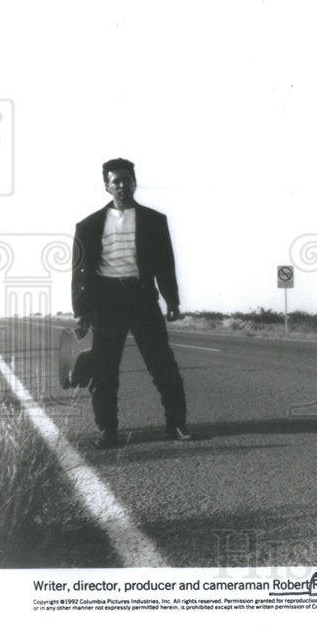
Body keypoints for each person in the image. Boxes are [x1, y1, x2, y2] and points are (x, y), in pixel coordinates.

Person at [72, 158, 191, 448]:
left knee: (163, 365)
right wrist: (81, 311)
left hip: (142, 297)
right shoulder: (88, 225)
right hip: (105, 301)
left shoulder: (154, 220)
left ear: (135, 183)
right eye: (116, 181)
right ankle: (107, 430)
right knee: (104, 370)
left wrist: (172, 300)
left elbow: (165, 264)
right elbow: (79, 271)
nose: (122, 185)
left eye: (127, 179)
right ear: (107, 186)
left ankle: (176, 424)